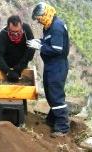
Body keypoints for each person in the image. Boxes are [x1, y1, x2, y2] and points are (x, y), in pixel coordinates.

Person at [29, 2, 70, 137]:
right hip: (51, 65)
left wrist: (40, 47)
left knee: (56, 95)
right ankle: (53, 120)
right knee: (50, 92)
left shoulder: (56, 27)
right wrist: (40, 41)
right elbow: (50, 42)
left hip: (57, 66)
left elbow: (57, 50)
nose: (39, 21)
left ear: (45, 14)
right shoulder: (49, 25)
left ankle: (62, 127)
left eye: (39, 18)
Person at [0, 15, 35, 112]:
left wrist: (18, 69)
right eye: (13, 32)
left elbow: (31, 51)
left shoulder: (27, 30)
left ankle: (23, 112)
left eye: (18, 31)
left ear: (21, 25)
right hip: (5, 65)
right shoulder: (3, 34)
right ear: (8, 27)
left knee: (24, 86)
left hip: (21, 63)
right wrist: (7, 72)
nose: (16, 34)